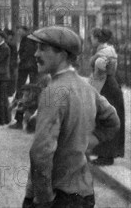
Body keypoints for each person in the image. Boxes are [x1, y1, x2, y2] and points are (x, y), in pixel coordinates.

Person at [23, 26, 120, 208]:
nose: (36, 54)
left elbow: (41, 152)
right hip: (84, 193)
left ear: (62, 54)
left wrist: (43, 198)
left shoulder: (53, 92)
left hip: (57, 195)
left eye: (43, 49)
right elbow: (112, 121)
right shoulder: (86, 88)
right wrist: (88, 141)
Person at [89, 28, 125, 166]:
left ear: (97, 38)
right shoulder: (108, 50)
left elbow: (101, 67)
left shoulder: (104, 52)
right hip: (110, 86)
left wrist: (97, 69)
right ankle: (105, 154)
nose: (91, 40)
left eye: (92, 37)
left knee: (106, 120)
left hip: (107, 87)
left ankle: (106, 155)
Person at [10, 25, 39, 129]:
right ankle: (24, 122)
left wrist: (20, 60)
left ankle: (20, 122)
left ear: (24, 31)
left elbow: (26, 55)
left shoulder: (28, 40)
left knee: (22, 94)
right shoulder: (30, 39)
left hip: (26, 70)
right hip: (30, 71)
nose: (18, 32)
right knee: (26, 95)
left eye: (19, 30)